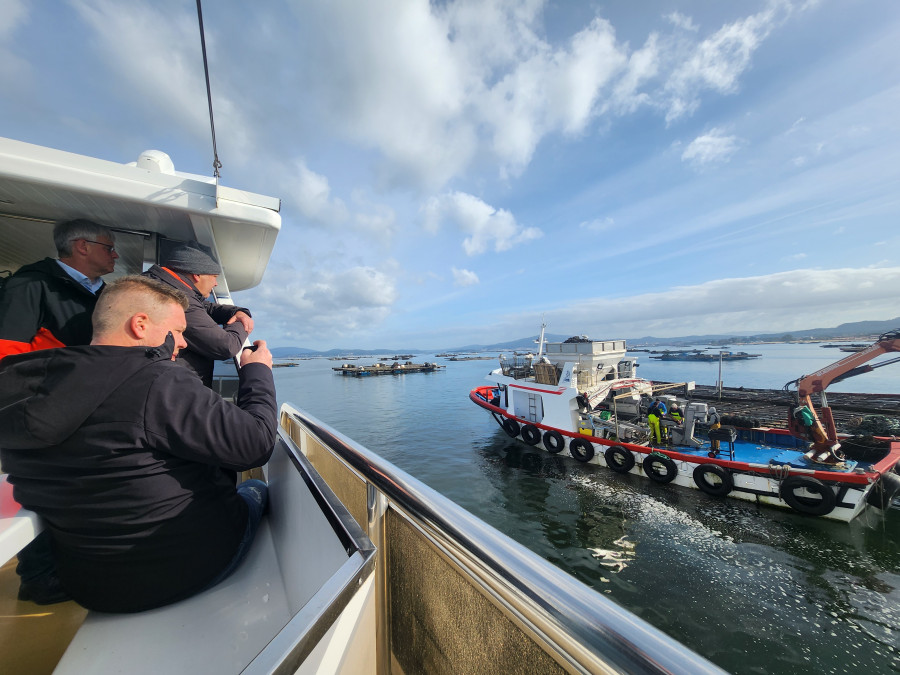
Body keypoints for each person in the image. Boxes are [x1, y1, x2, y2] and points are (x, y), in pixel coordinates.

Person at [0, 276, 277, 613]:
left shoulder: (20, 386)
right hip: (187, 570)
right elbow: (256, 444)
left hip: (89, 585)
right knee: (257, 488)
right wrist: (258, 372)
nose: (185, 343)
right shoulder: (155, 379)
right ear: (140, 324)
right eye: (178, 331)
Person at [0, 218, 118, 360]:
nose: (115, 255)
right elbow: (6, 355)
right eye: (108, 248)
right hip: (48, 382)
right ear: (83, 246)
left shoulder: (110, 294)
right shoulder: (29, 284)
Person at [142, 242, 253, 387]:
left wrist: (237, 312)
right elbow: (226, 346)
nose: (216, 283)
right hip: (173, 388)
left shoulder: (164, 286)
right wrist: (242, 321)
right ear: (197, 275)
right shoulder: (173, 297)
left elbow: (204, 307)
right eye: (214, 276)